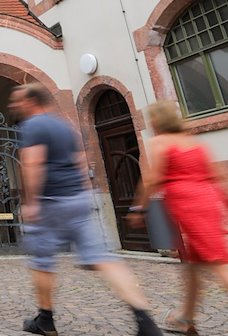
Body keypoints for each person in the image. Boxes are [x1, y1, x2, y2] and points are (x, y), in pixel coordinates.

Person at [9, 83, 161, 336]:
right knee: (103, 258)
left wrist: (32, 203)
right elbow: (81, 161)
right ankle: (145, 320)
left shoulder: (33, 126)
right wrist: (83, 193)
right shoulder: (66, 125)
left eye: (17, 101)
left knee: (42, 261)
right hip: (78, 199)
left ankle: (45, 320)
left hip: (50, 201)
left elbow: (32, 164)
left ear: (30, 102)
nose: (14, 106)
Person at [128, 101, 228, 333]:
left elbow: (152, 179)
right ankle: (185, 319)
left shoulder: (160, 142)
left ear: (156, 121)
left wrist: (139, 208)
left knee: (223, 269)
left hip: (190, 208)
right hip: (210, 202)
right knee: (194, 264)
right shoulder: (194, 143)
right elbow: (220, 176)